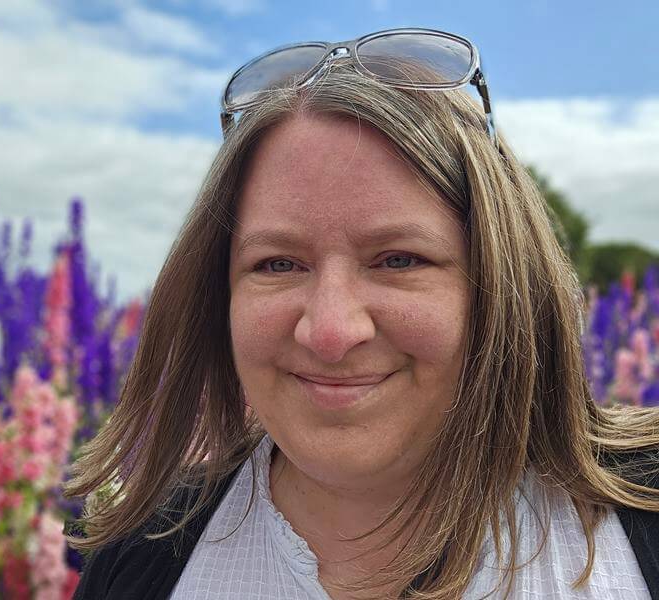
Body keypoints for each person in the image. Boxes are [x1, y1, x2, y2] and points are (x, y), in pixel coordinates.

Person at [64, 27, 659, 599]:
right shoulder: (141, 554)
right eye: (277, 264)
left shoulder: (639, 528)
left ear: (502, 282)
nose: (330, 332)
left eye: (399, 259)